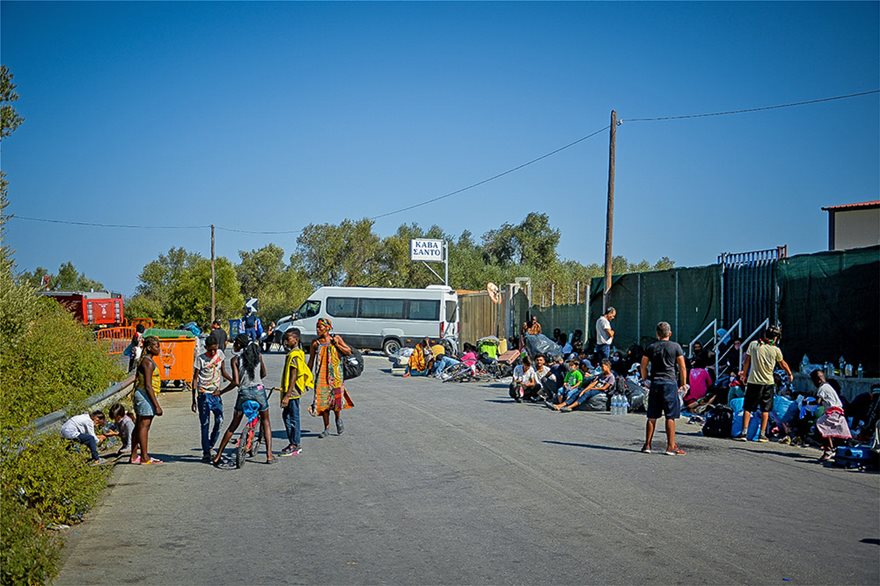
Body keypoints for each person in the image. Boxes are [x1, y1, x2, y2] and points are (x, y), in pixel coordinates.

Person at [213, 334, 274, 465]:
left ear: (238, 344)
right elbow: (264, 374)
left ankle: (218, 456)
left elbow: (236, 382)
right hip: (259, 391)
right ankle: (269, 455)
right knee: (266, 422)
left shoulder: (235, 360)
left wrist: (221, 392)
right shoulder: (258, 356)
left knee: (233, 426)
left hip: (244, 392)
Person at [735, 325, 794, 442]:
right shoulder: (775, 350)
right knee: (765, 409)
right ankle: (762, 435)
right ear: (775, 338)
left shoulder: (754, 345)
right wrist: (789, 374)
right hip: (768, 383)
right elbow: (783, 364)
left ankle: (744, 433)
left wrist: (744, 374)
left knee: (748, 407)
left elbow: (747, 361)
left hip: (753, 381)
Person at [640, 321, 687, 456]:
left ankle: (647, 445)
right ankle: (670, 446)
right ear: (669, 333)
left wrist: (645, 379)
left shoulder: (651, 347)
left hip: (655, 383)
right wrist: (683, 383)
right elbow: (682, 367)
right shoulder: (675, 347)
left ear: (657, 334)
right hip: (670, 383)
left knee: (652, 416)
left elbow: (643, 365)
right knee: (670, 416)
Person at [308, 317, 354, 438]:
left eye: (320, 327)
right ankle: (326, 428)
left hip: (336, 377)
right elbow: (311, 361)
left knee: (336, 403)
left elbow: (348, 352)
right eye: (317, 327)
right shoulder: (315, 343)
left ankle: (338, 419)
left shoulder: (336, 338)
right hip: (321, 377)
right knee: (323, 403)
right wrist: (306, 377)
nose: (317, 329)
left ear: (327, 328)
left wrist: (337, 344)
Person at [191, 334, 230, 463]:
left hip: (215, 394)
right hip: (203, 394)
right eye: (210, 350)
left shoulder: (220, 355)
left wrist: (234, 381)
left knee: (219, 421)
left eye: (214, 349)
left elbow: (223, 372)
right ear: (206, 347)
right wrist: (194, 399)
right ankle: (206, 452)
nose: (212, 352)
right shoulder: (200, 359)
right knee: (205, 424)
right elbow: (195, 378)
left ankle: (211, 444)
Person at [279, 328, 313, 457]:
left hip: (292, 392)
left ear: (296, 339)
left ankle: (295, 443)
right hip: (290, 391)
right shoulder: (296, 353)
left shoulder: (295, 355)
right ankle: (292, 442)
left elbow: (294, 375)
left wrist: (287, 395)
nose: (286, 342)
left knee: (293, 417)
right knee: (287, 416)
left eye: (289, 339)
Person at [130, 336, 163, 465]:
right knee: (144, 426)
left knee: (139, 425)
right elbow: (148, 386)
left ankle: (134, 456)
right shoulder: (148, 362)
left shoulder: (146, 360)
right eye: (156, 346)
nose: (158, 349)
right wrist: (157, 406)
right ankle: (144, 457)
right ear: (149, 348)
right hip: (145, 395)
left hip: (142, 394)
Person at [812, 370, 852, 462]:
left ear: (817, 380)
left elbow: (818, 402)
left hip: (833, 411)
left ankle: (829, 450)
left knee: (820, 425)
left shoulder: (822, 388)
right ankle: (831, 448)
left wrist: (808, 402)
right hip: (838, 411)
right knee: (829, 430)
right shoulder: (828, 386)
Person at [551, 359, 615, 412]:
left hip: (600, 390)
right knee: (578, 392)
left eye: (603, 366)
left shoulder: (611, 377)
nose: (602, 368)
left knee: (587, 393)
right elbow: (593, 383)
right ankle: (561, 405)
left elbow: (604, 388)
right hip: (593, 389)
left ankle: (570, 407)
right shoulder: (601, 375)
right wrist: (584, 390)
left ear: (608, 366)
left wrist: (591, 389)